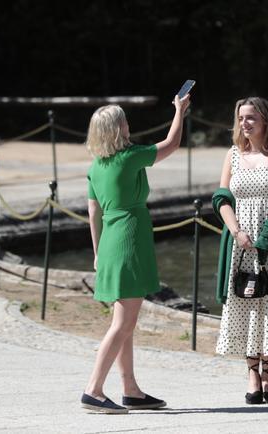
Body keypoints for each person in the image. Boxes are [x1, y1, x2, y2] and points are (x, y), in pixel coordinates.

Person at [81, 94, 190, 414]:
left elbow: (93, 213)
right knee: (122, 324)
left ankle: (130, 389)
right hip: (129, 239)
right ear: (117, 129)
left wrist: (98, 253)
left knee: (123, 322)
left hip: (111, 243)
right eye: (124, 120)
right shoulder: (128, 157)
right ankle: (93, 389)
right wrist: (179, 111)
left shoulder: (96, 167)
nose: (129, 124)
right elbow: (171, 144)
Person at [213, 96, 268, 405]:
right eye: (240, 118)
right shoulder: (233, 155)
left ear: (265, 120)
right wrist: (236, 231)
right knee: (247, 303)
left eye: (250, 117)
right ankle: (252, 372)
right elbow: (222, 197)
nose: (244, 123)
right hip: (241, 243)